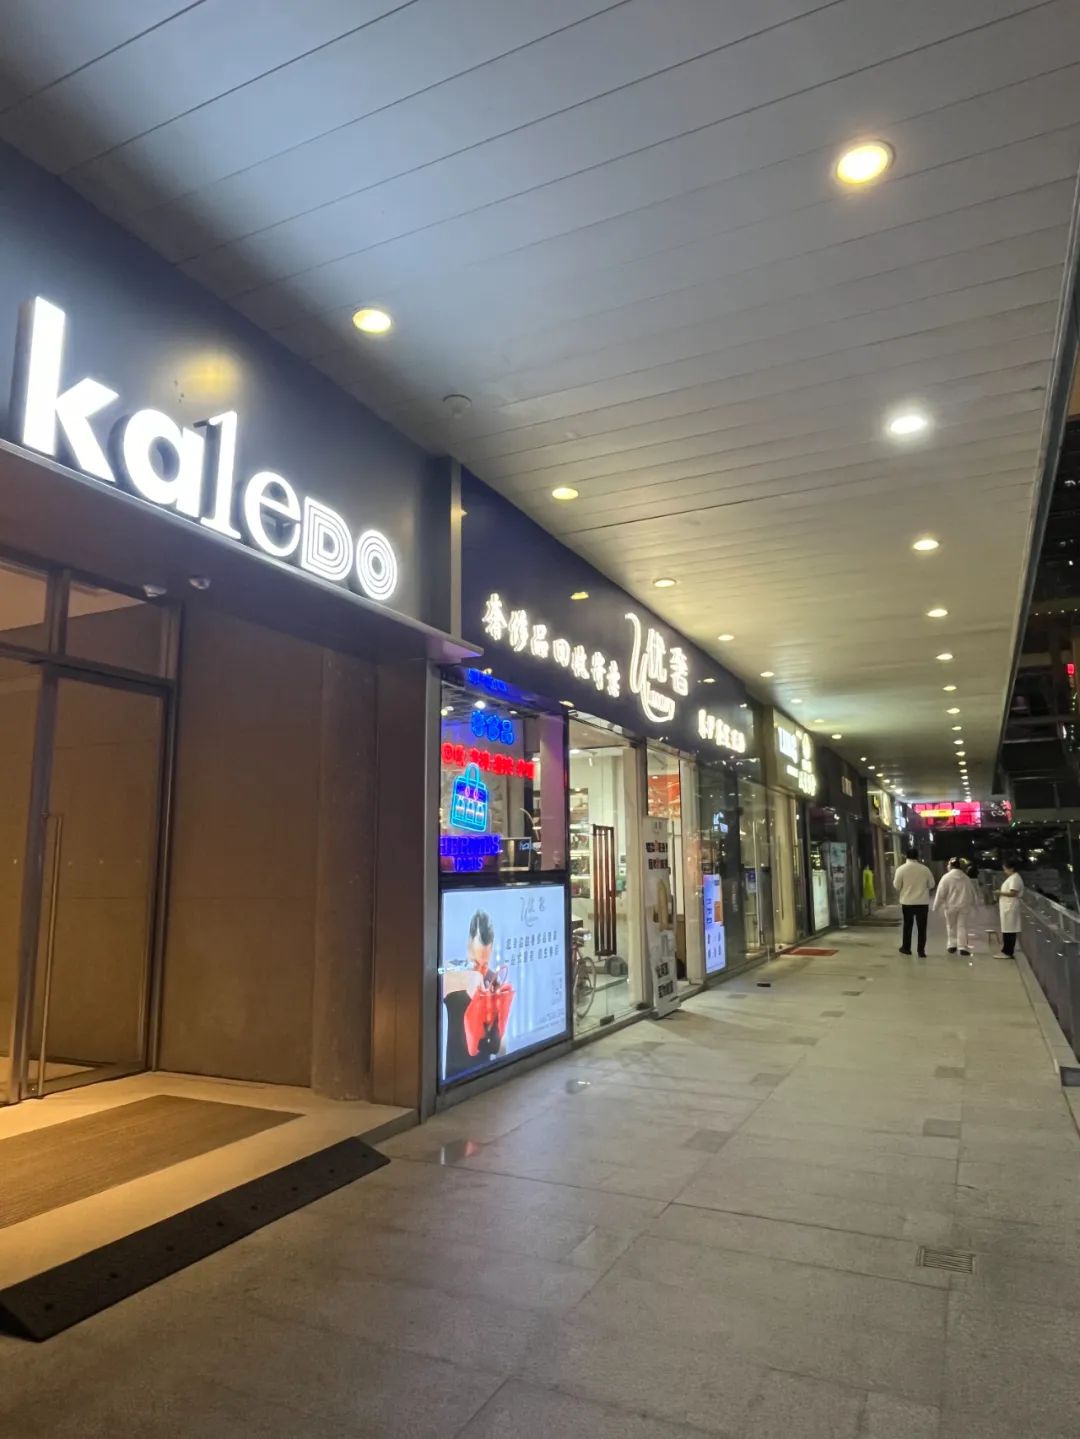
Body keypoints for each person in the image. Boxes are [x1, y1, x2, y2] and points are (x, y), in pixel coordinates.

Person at [893, 847, 935, 957]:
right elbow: (932, 884)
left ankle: (906, 948)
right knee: (922, 927)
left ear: (906, 856)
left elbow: (897, 886)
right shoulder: (925, 869)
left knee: (907, 926)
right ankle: (921, 951)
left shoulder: (901, 869)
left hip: (907, 902)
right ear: (917, 857)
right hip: (922, 902)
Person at [933, 857, 978, 956]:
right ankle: (962, 947)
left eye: (948, 864)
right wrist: (975, 904)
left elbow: (940, 893)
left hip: (950, 906)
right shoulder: (966, 878)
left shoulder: (946, 877)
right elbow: (972, 892)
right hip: (964, 906)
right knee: (962, 926)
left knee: (951, 926)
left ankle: (952, 945)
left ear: (951, 866)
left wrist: (936, 906)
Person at [995, 859, 1025, 959]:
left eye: (1005, 869)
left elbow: (1013, 893)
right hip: (1008, 907)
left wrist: (1000, 893)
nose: (1004, 871)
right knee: (1007, 930)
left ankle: (1008, 952)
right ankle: (1006, 950)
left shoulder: (1015, 878)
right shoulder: (1012, 877)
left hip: (1011, 907)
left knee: (1010, 930)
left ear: (1011, 868)